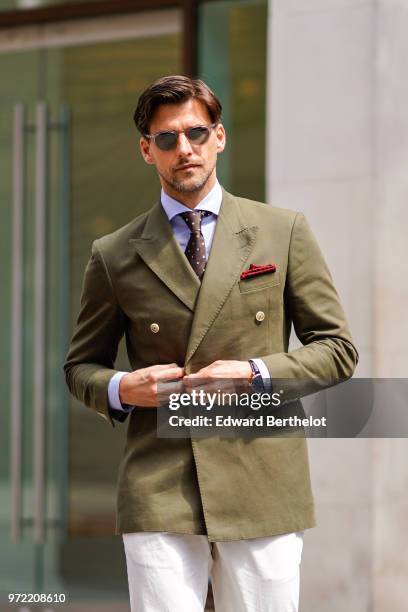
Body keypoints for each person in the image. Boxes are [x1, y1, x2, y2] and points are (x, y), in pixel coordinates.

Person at [64, 75, 358, 611]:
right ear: (146, 150)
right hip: (159, 482)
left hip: (262, 478)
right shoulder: (115, 252)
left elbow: (337, 349)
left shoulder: (282, 231)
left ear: (219, 137)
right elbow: (82, 366)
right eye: (168, 139)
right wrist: (124, 387)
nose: (185, 150)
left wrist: (253, 374)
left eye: (196, 133)